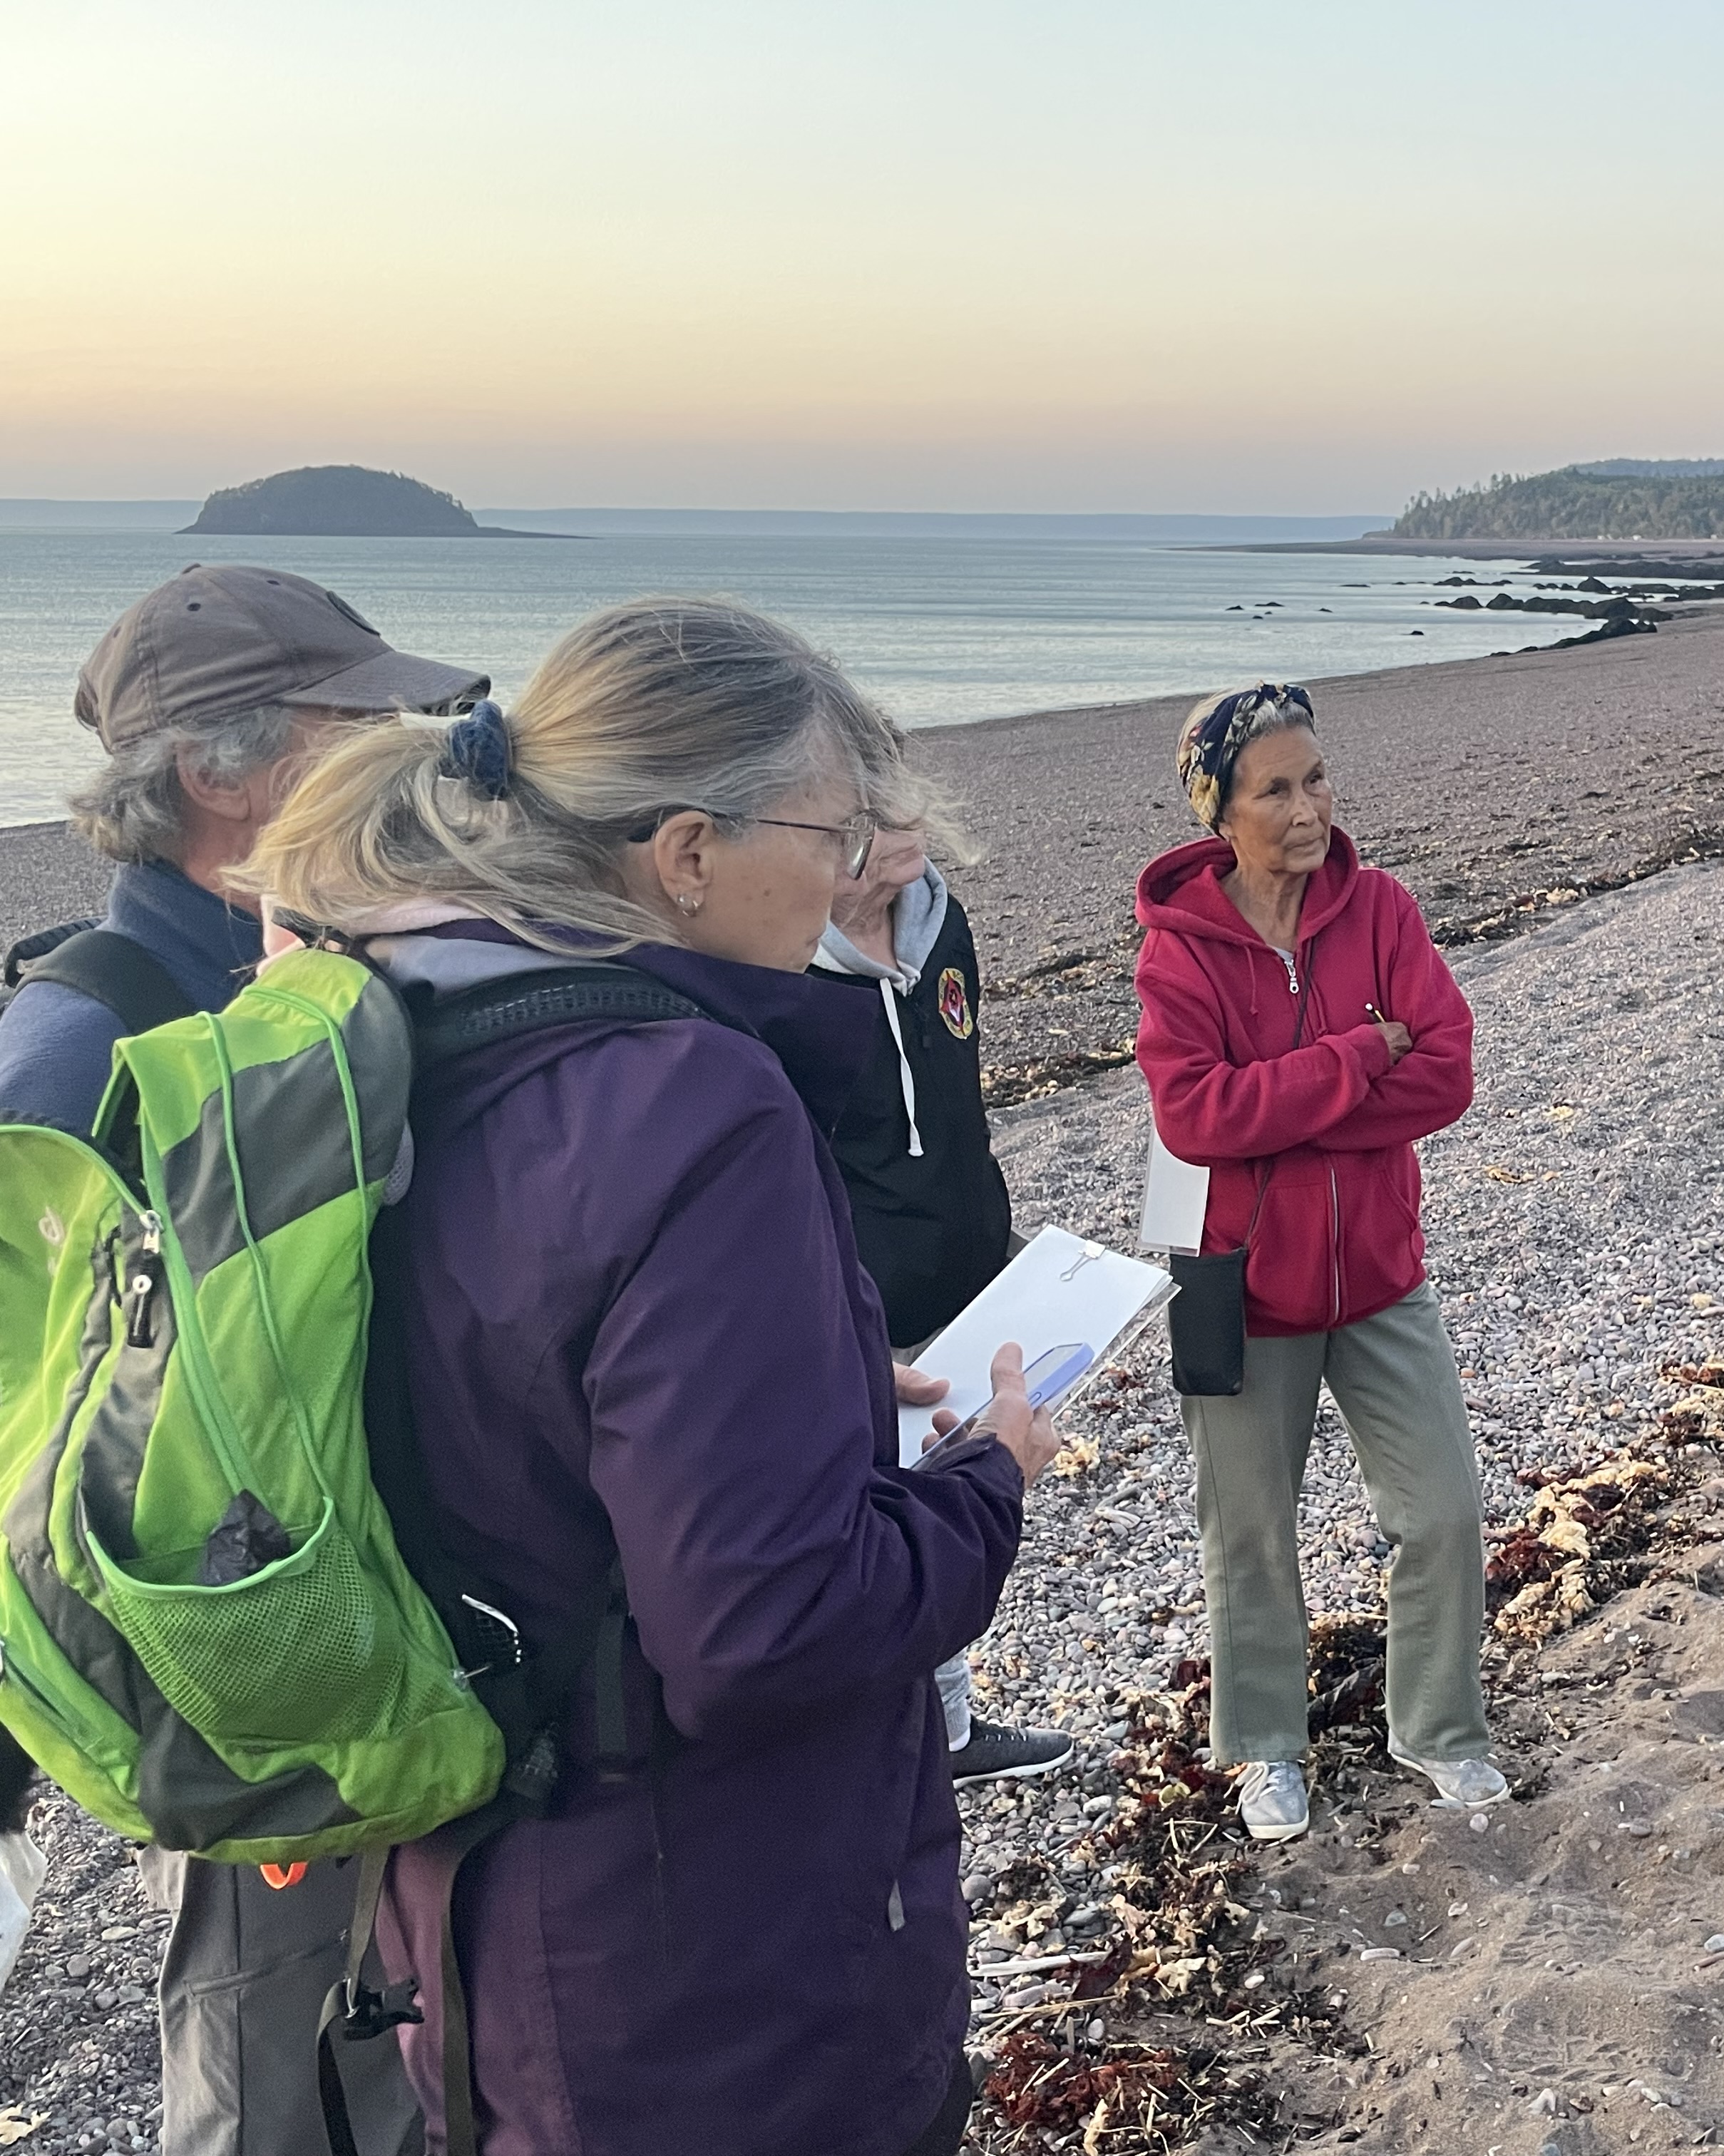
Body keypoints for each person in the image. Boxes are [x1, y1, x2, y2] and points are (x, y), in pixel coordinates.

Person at [239, 599, 1057, 2156]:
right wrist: (988, 1486)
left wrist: (804, 1387)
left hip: (469, 1912)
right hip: (710, 1980)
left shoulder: (413, 1020)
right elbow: (764, 1630)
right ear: (686, 851)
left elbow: (503, 1397)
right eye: (830, 830)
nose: (846, 868)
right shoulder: (695, 1102)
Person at [0, 564, 485, 2156]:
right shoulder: (86, 1043)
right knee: (272, 2084)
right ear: (220, 773)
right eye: (366, 720)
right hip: (241, 1677)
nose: (412, 744)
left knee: (411, 2065)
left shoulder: (317, 974)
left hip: (382, 1653)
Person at [1134, 683, 1502, 1844]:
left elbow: (1445, 1074)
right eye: (1275, 789)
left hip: (1383, 1277)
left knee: (1442, 1512)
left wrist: (1283, 1111)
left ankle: (1442, 1732)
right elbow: (1193, 1119)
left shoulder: (1382, 910)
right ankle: (1265, 1751)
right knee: (1248, 1536)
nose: (1309, 809)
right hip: (1239, 1288)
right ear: (1220, 814)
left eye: (1317, 778)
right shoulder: (1178, 955)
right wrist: (1357, 1057)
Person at [816, 822, 1074, 1786]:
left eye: (910, 797)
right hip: (861, 1304)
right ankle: (921, 1740)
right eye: (877, 809)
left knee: (949, 1496)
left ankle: (952, 1732)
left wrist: (996, 1238)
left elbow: (958, 1105)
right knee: (882, 1522)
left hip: (968, 1269)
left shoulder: (942, 926)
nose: (909, 826)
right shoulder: (782, 974)